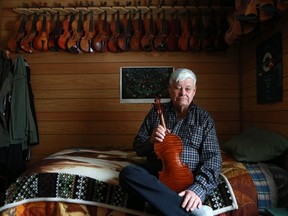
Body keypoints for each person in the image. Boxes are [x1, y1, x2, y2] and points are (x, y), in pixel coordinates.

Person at [119, 68, 222, 216]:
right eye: (178, 88)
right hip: (158, 176)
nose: (182, 93)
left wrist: (197, 190)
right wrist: (151, 139)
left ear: (194, 91)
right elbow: (138, 147)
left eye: (188, 89)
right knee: (128, 173)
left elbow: (213, 159)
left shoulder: (204, 118)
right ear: (169, 89)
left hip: (189, 178)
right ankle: (186, 211)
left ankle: (165, 205)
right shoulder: (156, 113)